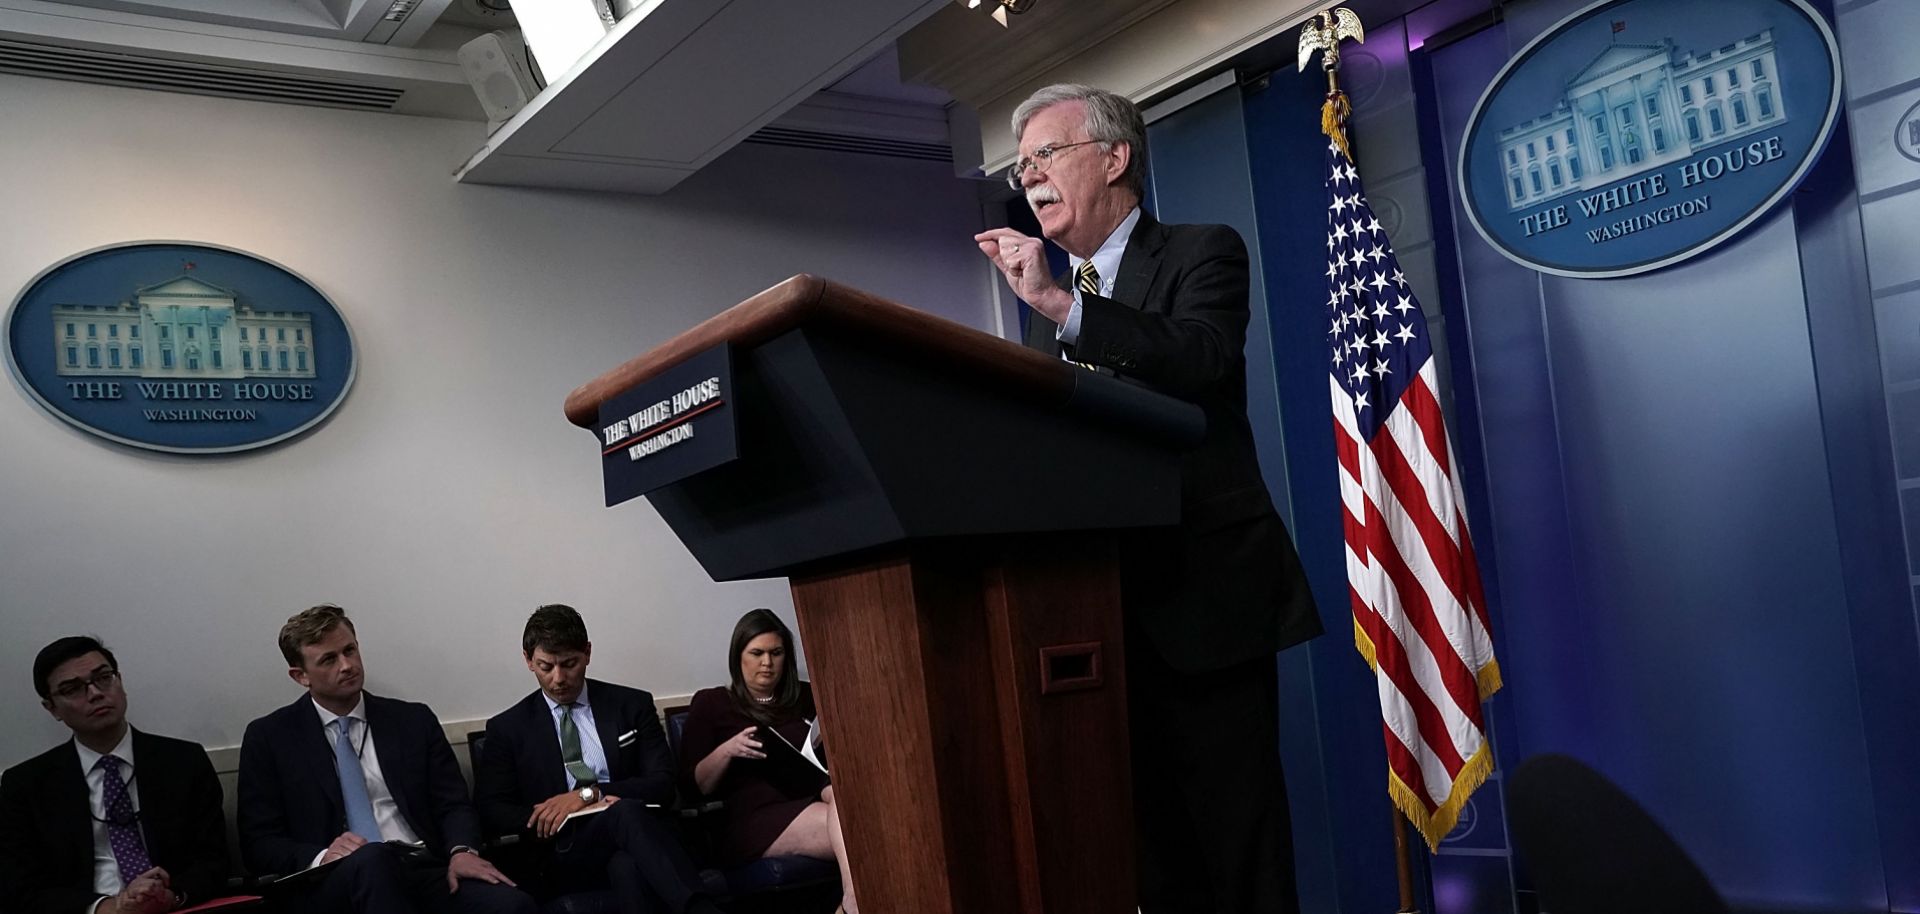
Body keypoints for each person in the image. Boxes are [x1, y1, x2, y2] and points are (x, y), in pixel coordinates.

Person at [973, 83, 1324, 914]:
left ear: (1115, 156)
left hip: (1207, 609)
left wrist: (1063, 304)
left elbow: (1198, 359)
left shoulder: (1202, 251)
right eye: (1022, 167)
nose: (1029, 178)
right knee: (1155, 866)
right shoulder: (1044, 318)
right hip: (1100, 623)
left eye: (1045, 155)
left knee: (1240, 855)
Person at [237, 605, 534, 914]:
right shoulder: (270, 738)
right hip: (332, 884)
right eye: (329, 659)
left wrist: (461, 850)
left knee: (513, 906)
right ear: (300, 676)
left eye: (350, 650)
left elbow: (453, 804)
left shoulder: (412, 721)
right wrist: (322, 855)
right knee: (372, 859)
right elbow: (259, 843)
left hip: (421, 868)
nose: (347, 665)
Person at [473, 605, 721, 914]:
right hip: (565, 851)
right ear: (528, 661)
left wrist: (589, 796)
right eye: (545, 666)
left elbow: (662, 783)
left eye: (569, 664)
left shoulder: (631, 705)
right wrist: (552, 813)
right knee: (625, 816)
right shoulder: (509, 728)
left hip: (644, 839)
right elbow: (492, 810)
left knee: (625, 862)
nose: (558, 678)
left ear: (587, 653)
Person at [0, 636, 229, 914]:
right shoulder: (26, 785)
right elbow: (23, 887)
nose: (95, 693)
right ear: (52, 708)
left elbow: (214, 859)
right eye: (72, 689)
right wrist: (107, 907)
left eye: (104, 677)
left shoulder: (183, 761)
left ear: (120, 681)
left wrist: (170, 896)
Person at [679, 609, 855, 914]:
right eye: (757, 653)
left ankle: (850, 905)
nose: (767, 663)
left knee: (848, 804)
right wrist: (727, 750)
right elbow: (693, 787)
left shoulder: (806, 696)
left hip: (817, 795)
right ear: (738, 657)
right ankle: (853, 902)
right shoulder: (713, 703)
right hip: (752, 818)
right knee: (860, 830)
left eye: (776, 653)